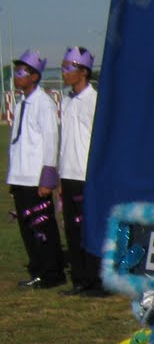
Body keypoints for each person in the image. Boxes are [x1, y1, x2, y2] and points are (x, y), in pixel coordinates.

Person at [7, 50, 65, 289]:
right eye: (16, 72)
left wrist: (47, 177)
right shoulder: (21, 103)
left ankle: (51, 272)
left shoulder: (43, 103)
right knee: (26, 228)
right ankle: (37, 267)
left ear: (34, 76)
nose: (16, 77)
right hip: (21, 176)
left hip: (35, 177)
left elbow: (51, 140)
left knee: (42, 225)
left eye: (22, 72)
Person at [58, 47, 102, 295]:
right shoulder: (66, 101)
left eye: (68, 67)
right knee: (72, 230)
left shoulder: (94, 101)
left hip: (87, 174)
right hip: (69, 173)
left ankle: (95, 279)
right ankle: (79, 278)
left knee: (89, 227)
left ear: (83, 72)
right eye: (63, 67)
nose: (64, 72)